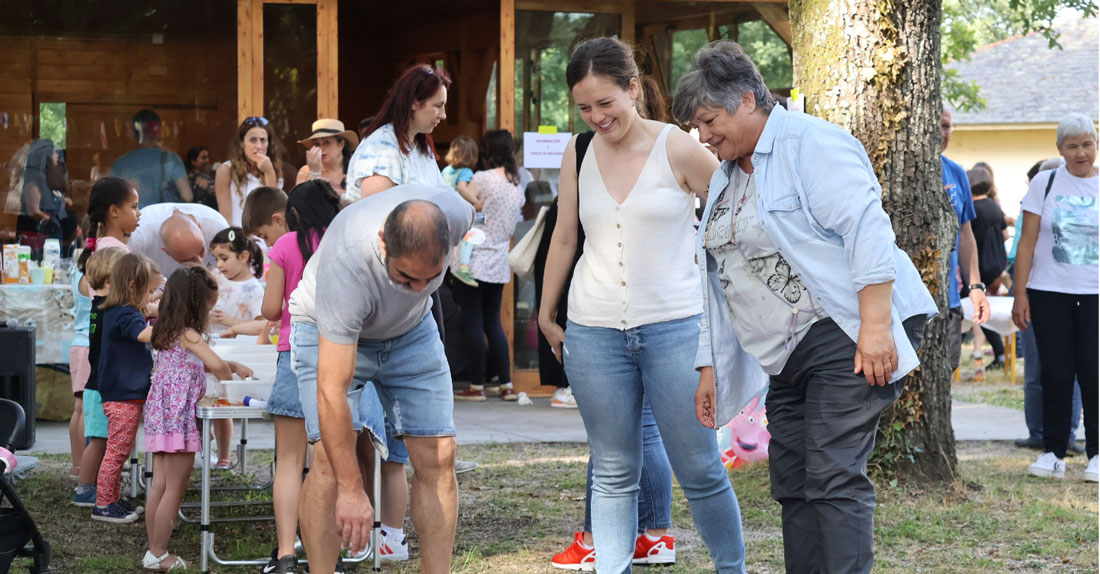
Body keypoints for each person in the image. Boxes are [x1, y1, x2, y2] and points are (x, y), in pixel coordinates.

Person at [673, 40, 937, 574]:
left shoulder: (812, 143)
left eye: (708, 121)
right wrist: (709, 367)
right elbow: (716, 276)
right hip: (786, 354)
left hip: (846, 329)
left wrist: (876, 326)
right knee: (793, 480)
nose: (702, 137)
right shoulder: (727, 174)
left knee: (833, 474)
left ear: (747, 98)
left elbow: (867, 231)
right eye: (695, 129)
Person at [539, 37, 744, 574]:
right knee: (611, 471)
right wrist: (545, 312)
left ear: (633, 88)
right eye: (585, 108)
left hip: (676, 329)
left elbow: (735, 214)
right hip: (593, 332)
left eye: (606, 103)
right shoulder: (578, 151)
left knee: (699, 468)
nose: (596, 117)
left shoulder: (677, 145)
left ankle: (733, 568)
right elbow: (565, 237)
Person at [288, 186, 473, 574]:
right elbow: (332, 392)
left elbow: (423, 287)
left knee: (440, 453)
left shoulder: (456, 214)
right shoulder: (347, 265)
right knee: (328, 459)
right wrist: (353, 490)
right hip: (328, 327)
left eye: (432, 277)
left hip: (411, 330)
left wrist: (415, 295)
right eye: (407, 277)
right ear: (383, 244)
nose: (420, 288)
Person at [142, 266, 251, 571]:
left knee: (160, 486)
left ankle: (154, 549)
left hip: (161, 418)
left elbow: (192, 365)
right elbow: (215, 365)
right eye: (209, 307)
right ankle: (159, 554)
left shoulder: (166, 329)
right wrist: (231, 382)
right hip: (179, 419)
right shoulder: (189, 333)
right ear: (196, 305)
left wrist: (232, 363)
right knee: (174, 489)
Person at [260, 179, 341, 574]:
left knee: (289, 462)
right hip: (340, 355)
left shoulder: (285, 245)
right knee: (328, 459)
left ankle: (286, 554)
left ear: (293, 214)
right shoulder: (343, 241)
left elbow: (272, 309)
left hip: (294, 353)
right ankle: (328, 554)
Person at [1012, 113, 1098, 482]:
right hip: (1049, 293)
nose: (1081, 153)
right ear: (1060, 149)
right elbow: (1026, 243)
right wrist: (1020, 294)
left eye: (1087, 144)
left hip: (1094, 293)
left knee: (1094, 374)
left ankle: (1096, 454)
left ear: (1096, 144)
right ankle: (1053, 452)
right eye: (1072, 145)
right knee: (1056, 373)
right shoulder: (1044, 184)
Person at [1012, 158, 1084, 452]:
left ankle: (1062, 434)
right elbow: (1020, 250)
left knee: (1065, 370)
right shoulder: (1029, 210)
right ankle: (1043, 432)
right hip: (1036, 295)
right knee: (1042, 369)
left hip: (1071, 297)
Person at [452, 130, 525, 401]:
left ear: (487, 150)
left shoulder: (481, 179)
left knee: (473, 322)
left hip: (471, 260)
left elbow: (460, 202)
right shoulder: (516, 186)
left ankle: (476, 385)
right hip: (498, 261)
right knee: (493, 322)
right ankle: (506, 384)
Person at [93, 252, 162, 523]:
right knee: (117, 451)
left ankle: (112, 499)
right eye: (150, 291)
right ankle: (103, 505)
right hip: (123, 395)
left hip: (121, 392)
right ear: (133, 287)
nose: (152, 297)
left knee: (119, 449)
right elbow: (145, 335)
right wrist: (175, 327)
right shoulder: (126, 314)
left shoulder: (117, 309)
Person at [71, 247, 128, 508]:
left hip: (96, 384)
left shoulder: (98, 307)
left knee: (99, 441)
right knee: (98, 442)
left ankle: (90, 486)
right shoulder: (109, 311)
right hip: (99, 387)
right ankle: (84, 489)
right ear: (108, 281)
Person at [344, 65, 449, 202]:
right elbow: (375, 212)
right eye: (437, 106)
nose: (443, 115)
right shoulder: (382, 148)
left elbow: (442, 197)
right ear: (414, 102)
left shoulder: (421, 146)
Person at [940, 107, 992, 374]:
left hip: (947, 302)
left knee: (944, 381)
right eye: (936, 125)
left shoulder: (957, 173)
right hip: (903, 304)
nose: (941, 133)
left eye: (947, 126)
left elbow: (966, 234)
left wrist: (975, 287)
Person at [966, 167, 1008, 368]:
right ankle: (999, 353)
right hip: (997, 264)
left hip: (979, 267)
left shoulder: (972, 210)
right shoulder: (994, 207)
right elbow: (1005, 234)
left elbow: (967, 239)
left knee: (979, 310)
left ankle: (999, 353)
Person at [109, 110, 192, 207]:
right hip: (163, 220)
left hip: (131, 221)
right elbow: (187, 196)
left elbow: (111, 198)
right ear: (159, 130)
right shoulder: (171, 159)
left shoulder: (120, 163)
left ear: (133, 132)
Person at [127, 201, 229, 277]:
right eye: (188, 259)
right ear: (166, 251)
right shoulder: (138, 235)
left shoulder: (218, 229)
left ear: (199, 226)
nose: (199, 262)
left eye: (202, 251)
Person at [215, 116, 283, 227]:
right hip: (239, 238)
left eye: (263, 140)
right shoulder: (226, 170)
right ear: (242, 143)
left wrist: (269, 172)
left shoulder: (274, 168)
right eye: (253, 140)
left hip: (266, 240)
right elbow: (225, 219)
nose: (259, 146)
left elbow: (273, 210)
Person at [208, 226, 265, 338]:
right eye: (216, 259)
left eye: (224, 258)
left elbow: (261, 325)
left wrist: (230, 321)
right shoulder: (215, 276)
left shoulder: (254, 290)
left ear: (243, 257)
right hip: (211, 343)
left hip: (236, 348)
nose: (218, 264)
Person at [441, 135, 481, 286]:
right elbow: (461, 187)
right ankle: (463, 267)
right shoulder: (466, 172)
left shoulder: (446, 170)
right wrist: (476, 202)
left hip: (443, 210)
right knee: (468, 237)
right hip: (457, 210)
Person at [17, 139, 70, 248]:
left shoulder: (47, 180)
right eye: (54, 152)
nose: (56, 156)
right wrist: (52, 222)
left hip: (48, 237)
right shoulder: (33, 183)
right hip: (36, 238)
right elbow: (34, 211)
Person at [294, 119, 358, 196]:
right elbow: (302, 200)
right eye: (317, 144)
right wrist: (313, 173)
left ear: (341, 144)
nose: (321, 148)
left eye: (326, 142)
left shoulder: (356, 170)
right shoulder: (306, 171)